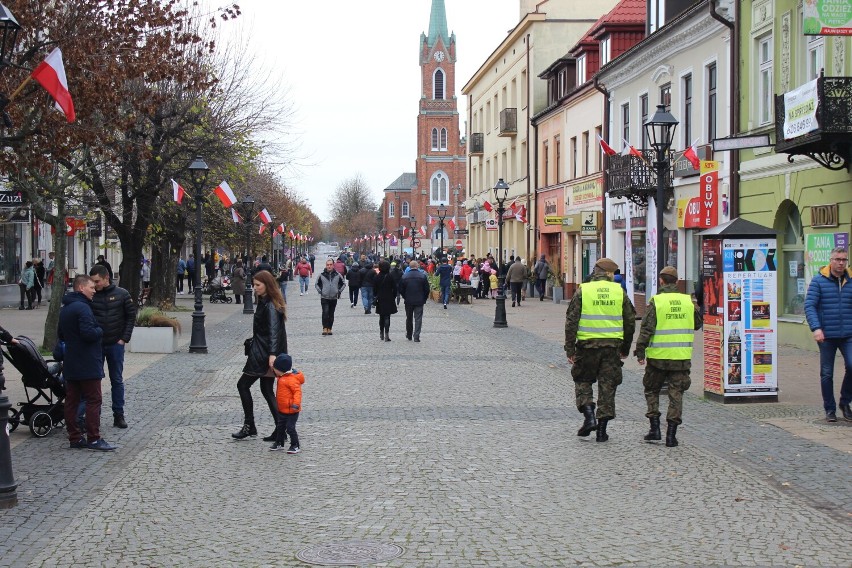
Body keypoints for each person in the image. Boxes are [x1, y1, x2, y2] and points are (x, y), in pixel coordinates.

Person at [564, 257, 636, 442]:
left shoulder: (583, 290)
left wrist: (569, 348)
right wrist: (626, 348)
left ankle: (589, 416)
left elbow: (571, 321)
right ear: (610, 274)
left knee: (582, 379)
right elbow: (630, 322)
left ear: (595, 271)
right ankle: (602, 431)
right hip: (612, 348)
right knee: (608, 386)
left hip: (587, 346)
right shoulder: (619, 292)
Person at [634, 266, 703, 447]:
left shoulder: (657, 302)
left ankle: (655, 428)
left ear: (661, 281)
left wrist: (640, 351)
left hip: (658, 358)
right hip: (680, 358)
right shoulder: (688, 301)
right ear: (677, 282)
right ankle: (671, 435)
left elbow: (646, 329)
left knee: (651, 390)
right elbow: (697, 324)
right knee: (676, 394)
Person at [56, 275, 115, 451]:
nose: (94, 291)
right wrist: (100, 330)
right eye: (91, 287)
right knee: (94, 399)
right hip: (87, 362)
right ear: (81, 288)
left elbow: (61, 335)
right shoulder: (83, 308)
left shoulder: (66, 308)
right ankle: (94, 438)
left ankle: (74, 437)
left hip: (72, 362)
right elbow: (89, 333)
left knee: (72, 400)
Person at [233, 270, 288, 440]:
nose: (254, 288)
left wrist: (272, 354)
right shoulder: (267, 302)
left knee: (243, 385)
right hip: (265, 350)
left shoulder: (270, 305)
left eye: (258, 285)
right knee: (266, 389)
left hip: (264, 353)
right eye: (254, 284)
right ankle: (280, 429)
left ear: (267, 285)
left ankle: (250, 426)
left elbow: (273, 332)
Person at [804, 246, 852, 422]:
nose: (841, 263)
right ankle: (830, 409)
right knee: (827, 373)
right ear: (830, 260)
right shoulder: (819, 281)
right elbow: (809, 306)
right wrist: (816, 328)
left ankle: (845, 402)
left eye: (844, 260)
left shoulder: (851, 280)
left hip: (848, 333)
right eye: (837, 259)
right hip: (826, 334)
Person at [89, 265, 136, 429]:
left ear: (106, 278)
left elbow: (131, 317)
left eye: (97, 281)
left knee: (116, 380)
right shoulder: (91, 296)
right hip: (97, 345)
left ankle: (119, 414)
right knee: (95, 381)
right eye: (93, 282)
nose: (95, 285)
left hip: (116, 343)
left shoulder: (122, 294)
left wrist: (124, 339)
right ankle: (95, 415)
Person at [270, 353, 304, 454]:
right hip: (282, 409)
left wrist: (296, 404)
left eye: (275, 369)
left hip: (292, 410)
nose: (273, 370)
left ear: (281, 370)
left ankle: (295, 445)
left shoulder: (291, 380)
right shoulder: (282, 377)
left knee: (290, 428)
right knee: (280, 427)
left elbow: (297, 393)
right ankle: (279, 442)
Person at [398, 260, 429, 342]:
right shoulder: (422, 276)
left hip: (408, 300)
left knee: (409, 318)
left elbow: (400, 289)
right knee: (418, 318)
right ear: (417, 266)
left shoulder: (405, 276)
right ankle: (416, 335)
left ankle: (409, 334)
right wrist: (424, 298)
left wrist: (405, 296)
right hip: (419, 300)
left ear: (410, 267)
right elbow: (427, 289)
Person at [315, 258, 345, 336]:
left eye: (330, 265)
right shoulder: (322, 275)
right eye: (328, 265)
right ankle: (325, 328)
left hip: (333, 297)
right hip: (324, 297)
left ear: (333, 265)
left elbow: (343, 284)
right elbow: (316, 284)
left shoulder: (337, 275)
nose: (329, 266)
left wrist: (338, 291)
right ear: (326, 265)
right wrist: (321, 291)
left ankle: (329, 328)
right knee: (325, 312)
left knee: (331, 314)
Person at [374, 260, 398, 341]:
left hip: (380, 298)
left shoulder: (377, 277)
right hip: (389, 298)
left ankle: (381, 332)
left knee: (381, 316)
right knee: (387, 316)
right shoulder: (390, 276)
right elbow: (395, 289)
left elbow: (374, 289)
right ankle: (387, 334)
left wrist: (376, 296)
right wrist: (393, 296)